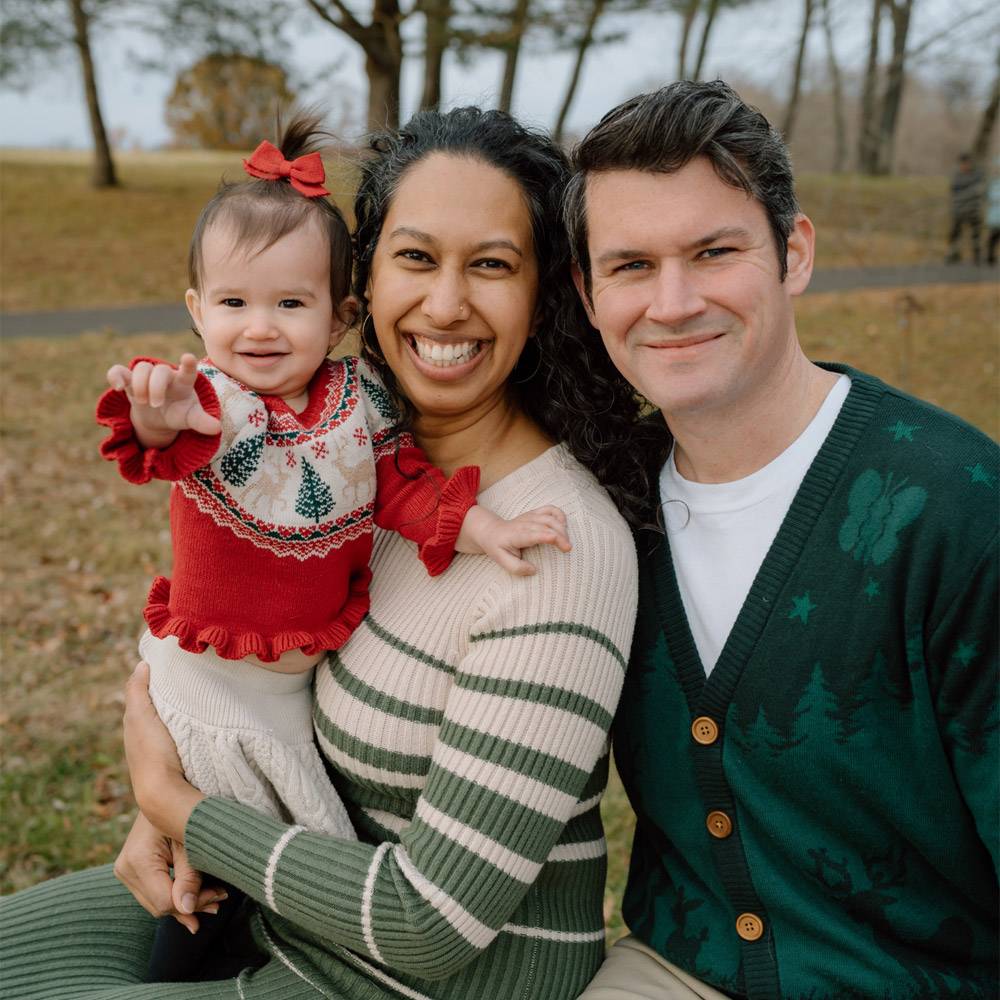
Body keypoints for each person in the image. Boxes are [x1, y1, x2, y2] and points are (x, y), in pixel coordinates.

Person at [0, 106, 642, 999]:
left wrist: (174, 802)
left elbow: (430, 928)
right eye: (415, 257)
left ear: (545, 297)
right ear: (364, 286)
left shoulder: (560, 550)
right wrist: (178, 810)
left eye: (492, 265)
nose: (445, 304)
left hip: (425, 981)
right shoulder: (342, 448)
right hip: (291, 903)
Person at [564, 81, 999, 1000]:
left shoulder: (958, 504)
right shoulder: (599, 503)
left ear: (793, 253)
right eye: (631, 265)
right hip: (677, 969)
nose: (673, 302)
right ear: (586, 292)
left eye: (714, 252)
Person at [947, 152, 985, 264]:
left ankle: (977, 255)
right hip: (959, 209)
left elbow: (980, 191)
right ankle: (954, 254)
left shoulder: (976, 175)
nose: (964, 166)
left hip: (973, 209)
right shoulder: (957, 176)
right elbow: (953, 191)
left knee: (975, 233)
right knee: (955, 233)